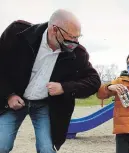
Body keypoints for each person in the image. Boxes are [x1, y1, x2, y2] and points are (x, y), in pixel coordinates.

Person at [0, 9, 101, 153]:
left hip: (45, 105)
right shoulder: (18, 34)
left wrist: (64, 87)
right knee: (2, 144)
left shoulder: (77, 54)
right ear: (54, 30)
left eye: (77, 37)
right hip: (15, 100)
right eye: (70, 37)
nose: (74, 43)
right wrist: (9, 94)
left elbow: (94, 81)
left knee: (47, 149)